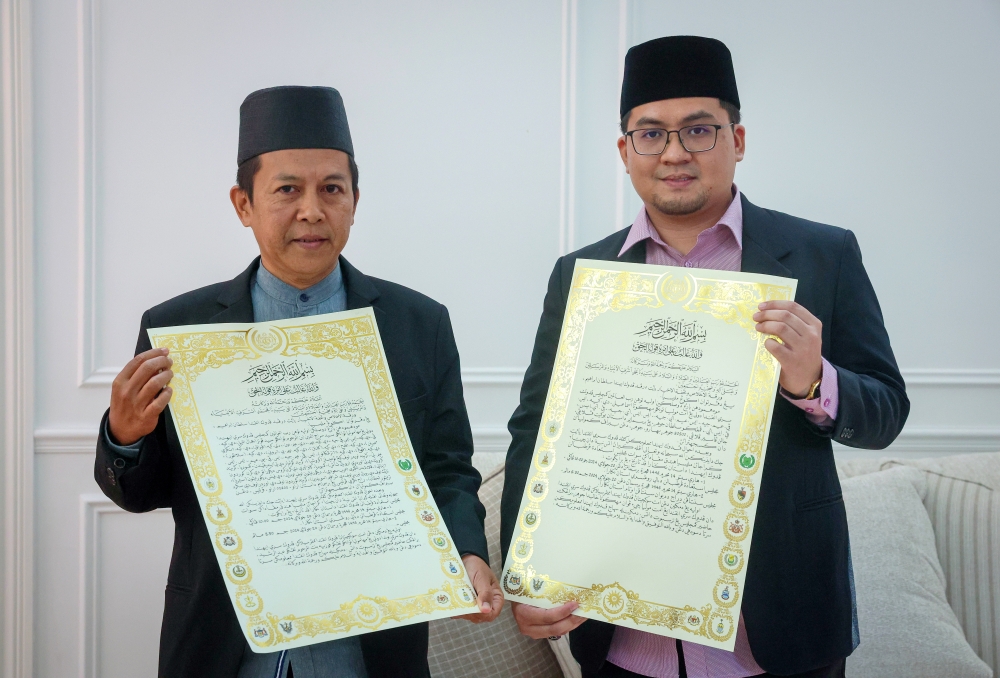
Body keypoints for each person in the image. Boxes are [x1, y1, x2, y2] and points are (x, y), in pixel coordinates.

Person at [501, 36, 909, 678]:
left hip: (780, 631)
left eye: (699, 130)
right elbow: (535, 428)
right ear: (624, 150)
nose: (674, 153)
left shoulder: (822, 255)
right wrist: (524, 575)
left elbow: (886, 413)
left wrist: (811, 381)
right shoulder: (582, 276)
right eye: (650, 134)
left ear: (737, 140)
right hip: (622, 638)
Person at [94, 86, 503, 678]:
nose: (312, 210)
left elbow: (447, 468)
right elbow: (142, 492)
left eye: (331, 189)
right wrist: (125, 435)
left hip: (370, 649)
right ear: (243, 204)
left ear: (355, 202)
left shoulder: (419, 325)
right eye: (287, 189)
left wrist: (467, 551)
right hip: (224, 646)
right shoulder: (177, 331)